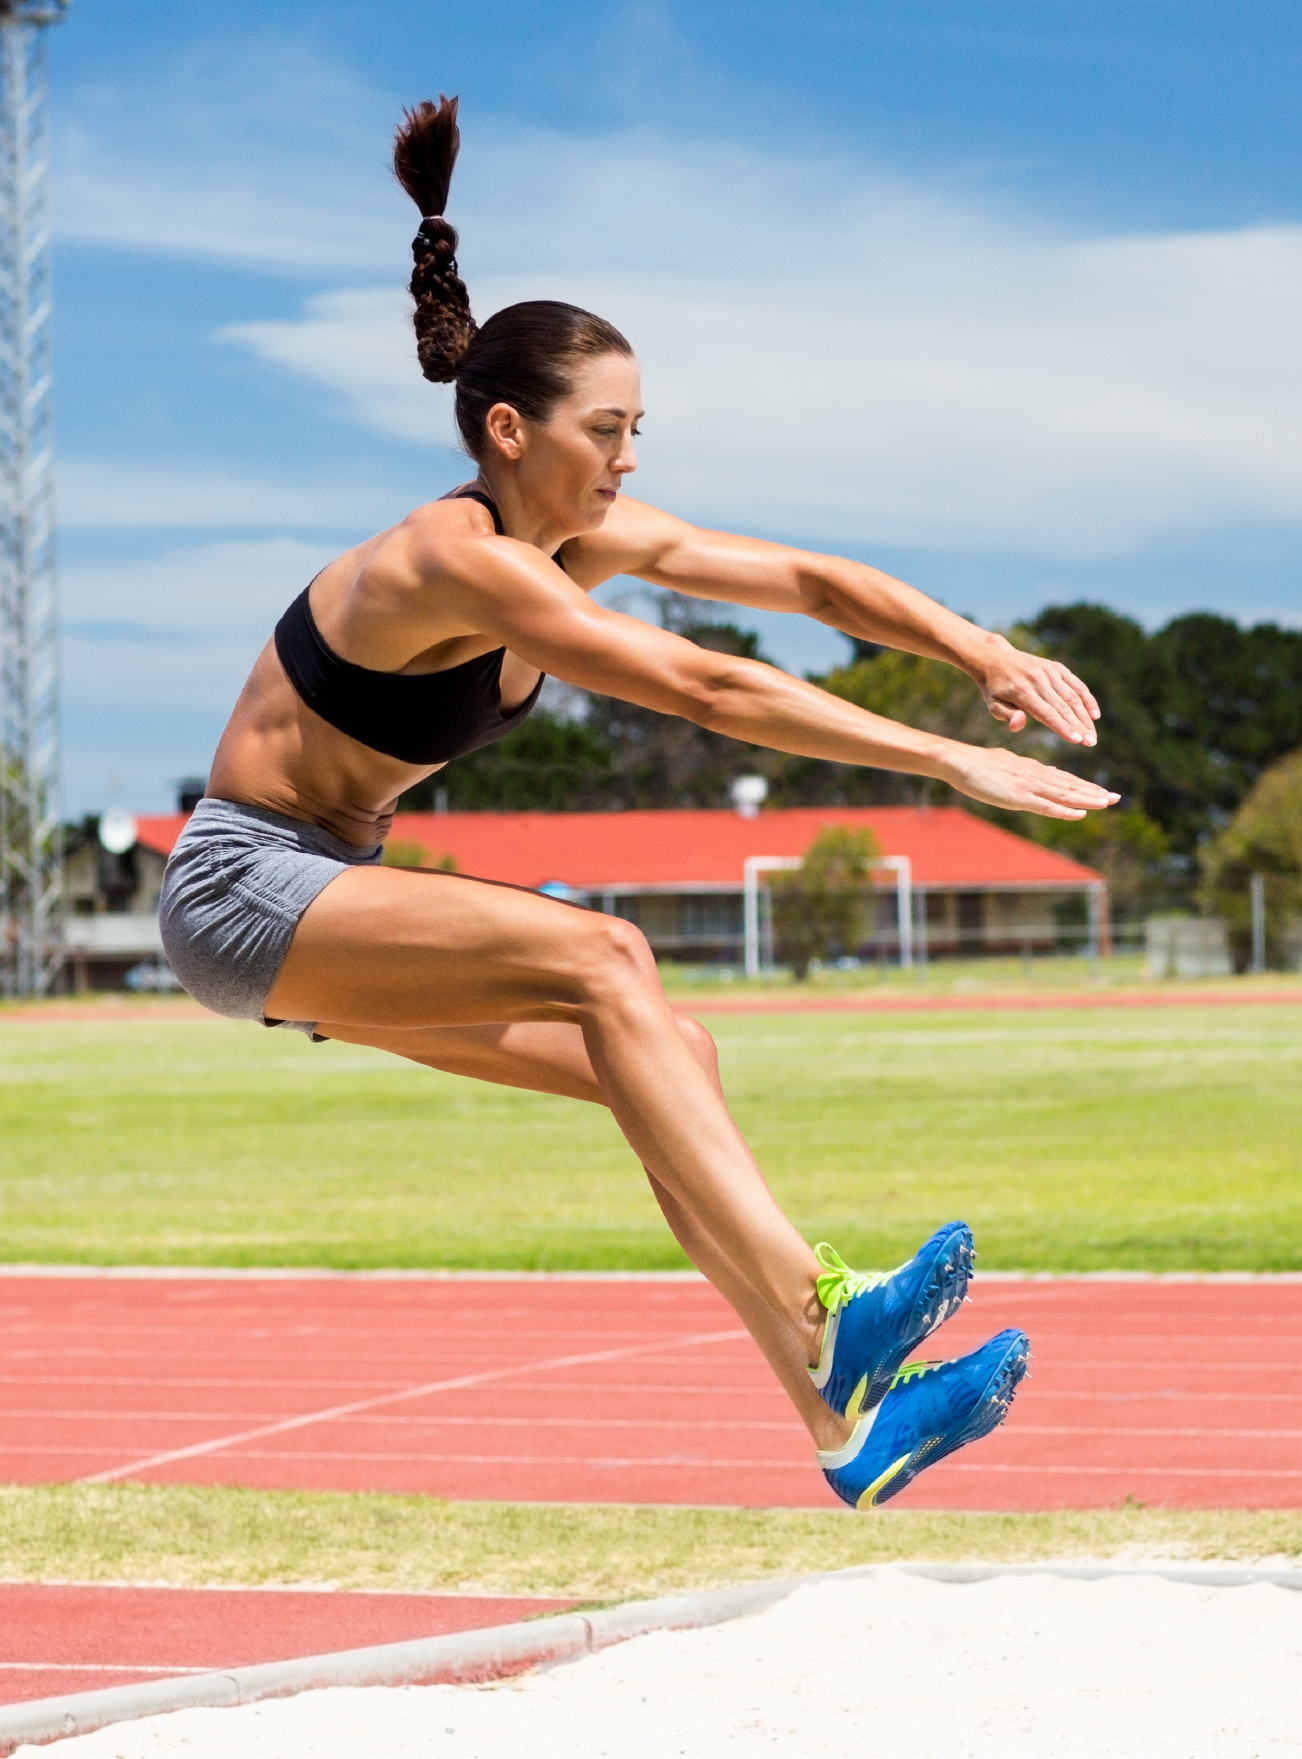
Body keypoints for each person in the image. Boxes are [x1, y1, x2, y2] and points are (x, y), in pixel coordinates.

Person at [157, 97, 1120, 1509]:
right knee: (608, 956)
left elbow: (802, 585)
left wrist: (973, 649)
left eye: (637, 429)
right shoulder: (454, 559)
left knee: (666, 1049)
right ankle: (825, 1305)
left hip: (323, 894)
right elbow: (707, 690)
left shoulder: (573, 542)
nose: (627, 459)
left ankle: (845, 1430)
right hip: (244, 887)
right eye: (605, 429)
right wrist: (946, 762)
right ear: (507, 428)